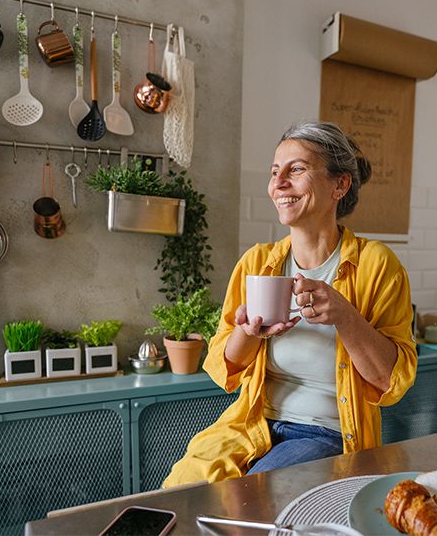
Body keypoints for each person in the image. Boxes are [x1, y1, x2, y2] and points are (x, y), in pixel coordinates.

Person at [163, 121, 417, 487]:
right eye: (273, 172)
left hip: (326, 433)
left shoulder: (377, 264)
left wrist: (346, 317)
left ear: (339, 185)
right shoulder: (257, 262)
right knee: (180, 489)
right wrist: (249, 333)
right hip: (252, 424)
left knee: (253, 500)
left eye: (296, 169)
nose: (278, 182)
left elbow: (391, 383)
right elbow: (224, 369)